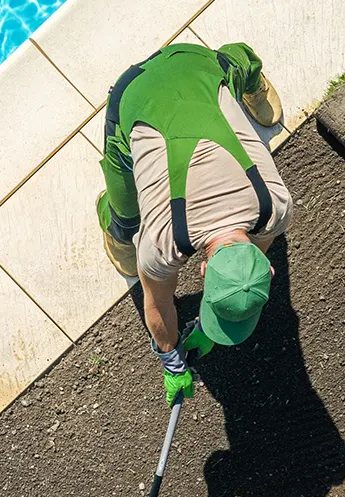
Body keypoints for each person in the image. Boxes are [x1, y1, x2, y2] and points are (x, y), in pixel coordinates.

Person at [95, 42, 293, 407]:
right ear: (201, 271)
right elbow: (157, 304)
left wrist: (202, 327)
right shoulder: (161, 242)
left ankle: (249, 81)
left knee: (233, 66)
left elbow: (254, 250)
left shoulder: (276, 208)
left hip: (197, 68)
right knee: (125, 219)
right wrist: (170, 359)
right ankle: (114, 226)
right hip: (137, 92)